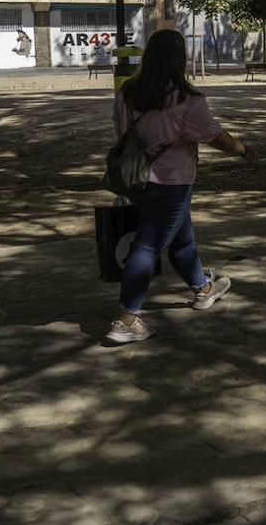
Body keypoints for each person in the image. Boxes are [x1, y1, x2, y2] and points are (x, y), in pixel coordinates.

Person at [106, 29, 254, 344]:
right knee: (147, 247)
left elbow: (120, 132)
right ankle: (126, 318)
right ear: (179, 59)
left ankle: (203, 289)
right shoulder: (186, 100)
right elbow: (214, 136)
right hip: (172, 182)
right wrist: (242, 150)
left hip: (138, 181)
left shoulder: (127, 94)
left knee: (181, 241)